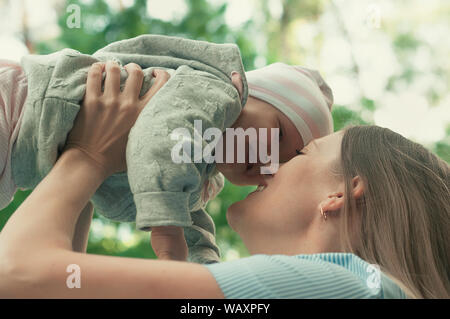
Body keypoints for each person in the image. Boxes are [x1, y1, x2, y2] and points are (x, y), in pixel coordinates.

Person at [0, 63, 448, 299]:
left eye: (299, 154)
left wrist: (89, 154)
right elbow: (46, 286)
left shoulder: (353, 288)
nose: (269, 165)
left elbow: (18, 276)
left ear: (340, 194)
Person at [0, 35, 333, 264]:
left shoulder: (198, 169)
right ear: (249, 96)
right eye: (275, 137)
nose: (267, 162)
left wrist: (202, 269)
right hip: (17, 104)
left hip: (17, 161)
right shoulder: (212, 94)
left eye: (277, 168)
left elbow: (192, 222)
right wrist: (167, 229)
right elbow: (160, 139)